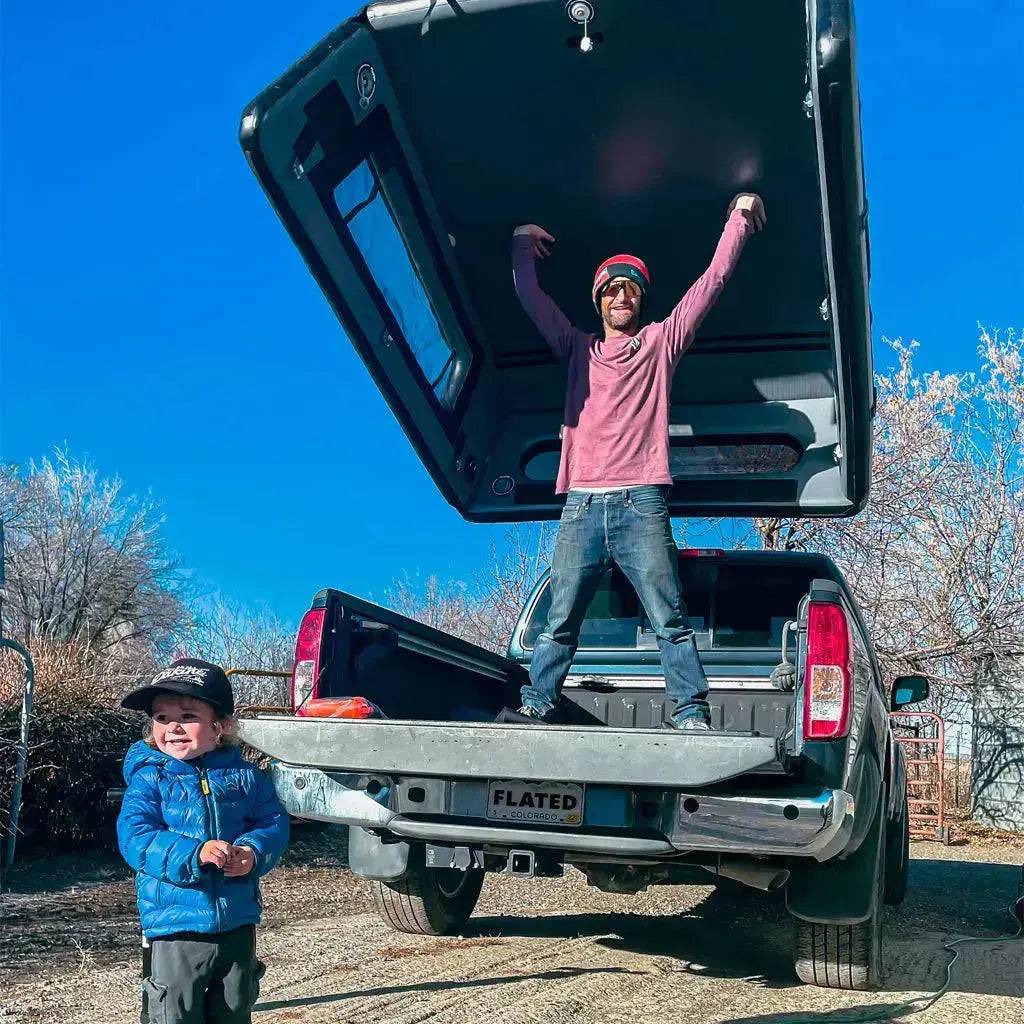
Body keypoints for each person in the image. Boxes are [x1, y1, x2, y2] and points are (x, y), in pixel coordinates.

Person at [511, 194, 766, 729]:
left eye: (630, 289)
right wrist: (521, 246)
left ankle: (689, 711)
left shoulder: (659, 344)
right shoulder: (576, 349)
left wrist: (739, 218)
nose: (621, 296)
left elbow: (710, 285)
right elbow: (530, 299)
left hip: (641, 502)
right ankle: (539, 701)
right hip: (581, 505)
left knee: (669, 616)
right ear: (599, 302)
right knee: (560, 618)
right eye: (611, 290)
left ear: (640, 300)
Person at [117, 658, 289, 1023]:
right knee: (173, 1011)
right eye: (161, 718)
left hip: (237, 919)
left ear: (220, 726)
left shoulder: (247, 777)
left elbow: (272, 822)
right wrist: (194, 854)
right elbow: (137, 837)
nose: (172, 727)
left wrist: (252, 852)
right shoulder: (150, 778)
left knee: (234, 1007)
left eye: (188, 715)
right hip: (175, 923)